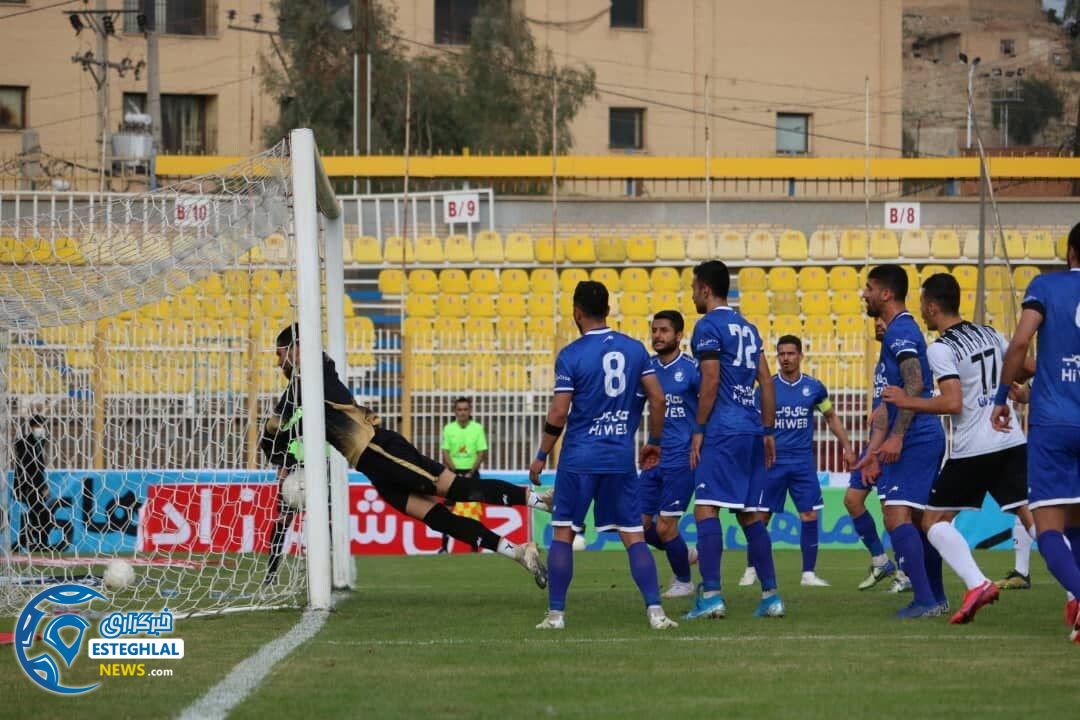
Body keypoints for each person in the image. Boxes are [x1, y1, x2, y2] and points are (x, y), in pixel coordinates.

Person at [261, 323, 552, 587]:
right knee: (440, 520)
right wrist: (282, 455)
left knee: (460, 490)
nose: (278, 362)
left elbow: (271, 431)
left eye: (281, 353)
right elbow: (277, 436)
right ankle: (519, 552)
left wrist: (276, 448)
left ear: (298, 348)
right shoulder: (307, 394)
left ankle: (541, 500)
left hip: (383, 451)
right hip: (374, 468)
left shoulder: (313, 377)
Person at [883, 273, 1036, 624]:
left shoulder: (940, 348)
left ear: (933, 306)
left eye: (923, 303)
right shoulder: (989, 332)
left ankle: (977, 583)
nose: (921, 309)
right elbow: (1026, 366)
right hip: (1011, 438)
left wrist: (908, 399)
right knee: (1035, 519)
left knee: (934, 521)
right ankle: (1075, 590)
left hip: (974, 447)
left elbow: (953, 402)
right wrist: (1016, 389)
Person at [529, 281, 678, 630]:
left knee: (563, 532)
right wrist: (654, 440)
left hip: (579, 459)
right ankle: (656, 612)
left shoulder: (571, 354)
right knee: (633, 536)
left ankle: (556, 615)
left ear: (576, 312)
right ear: (608, 310)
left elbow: (558, 413)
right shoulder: (635, 350)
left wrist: (541, 454)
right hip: (618, 459)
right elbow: (658, 399)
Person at [992, 221, 1080, 643]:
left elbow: (1020, 344)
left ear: (1070, 254)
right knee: (1077, 522)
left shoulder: (1046, 287)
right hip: (1060, 409)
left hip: (1055, 424)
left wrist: (999, 399)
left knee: (1048, 529)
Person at [684, 260, 783, 620]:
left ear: (706, 290)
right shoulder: (748, 328)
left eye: (694, 288)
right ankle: (771, 595)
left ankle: (711, 595)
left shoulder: (707, 326)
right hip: (752, 428)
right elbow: (767, 382)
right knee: (750, 515)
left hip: (722, 430)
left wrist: (698, 428)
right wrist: (769, 430)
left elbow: (710, 381)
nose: (693, 294)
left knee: (706, 507)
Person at [855, 264, 948, 618]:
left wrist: (896, 438)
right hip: (912, 436)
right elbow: (886, 402)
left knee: (896, 517)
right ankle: (935, 599)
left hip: (916, 437)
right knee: (921, 523)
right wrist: (874, 450)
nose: (865, 294)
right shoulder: (895, 332)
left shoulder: (901, 331)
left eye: (869, 288)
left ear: (886, 293)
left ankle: (925, 600)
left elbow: (915, 384)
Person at [738, 335, 857, 589]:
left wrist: (847, 446)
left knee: (809, 514)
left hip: (802, 462)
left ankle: (808, 573)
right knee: (760, 516)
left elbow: (831, 416)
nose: (786, 359)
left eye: (791, 354)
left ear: (801, 356)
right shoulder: (767, 388)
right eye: (781, 354)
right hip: (772, 462)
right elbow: (755, 426)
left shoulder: (814, 387)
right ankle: (751, 569)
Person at [842, 318, 910, 593]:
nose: (880, 324)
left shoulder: (903, 356)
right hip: (875, 443)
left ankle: (906, 572)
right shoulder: (882, 362)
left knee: (891, 512)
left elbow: (911, 394)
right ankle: (881, 560)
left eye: (884, 320)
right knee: (852, 499)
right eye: (877, 321)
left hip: (894, 444)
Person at [637, 310, 700, 599]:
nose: (657, 336)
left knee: (664, 527)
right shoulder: (647, 368)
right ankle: (682, 552)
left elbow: (709, 406)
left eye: (664, 331)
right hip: (653, 457)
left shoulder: (692, 369)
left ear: (679, 336)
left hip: (681, 457)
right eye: (654, 330)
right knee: (636, 524)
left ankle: (684, 581)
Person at [438, 397, 489, 554]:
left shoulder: (477, 428)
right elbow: (445, 452)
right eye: (459, 409)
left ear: (470, 411)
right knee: (447, 511)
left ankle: (474, 547)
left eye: (465, 409)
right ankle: (444, 547)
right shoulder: (448, 429)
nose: (462, 412)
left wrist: (471, 472)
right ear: (455, 411)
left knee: (473, 512)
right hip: (452, 474)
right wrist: (454, 471)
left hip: (472, 474)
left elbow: (481, 452)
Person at [13, 414, 51, 552]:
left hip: (36, 485)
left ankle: (26, 541)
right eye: (39, 426)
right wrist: (42, 486)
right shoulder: (23, 442)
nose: (41, 429)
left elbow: (39, 467)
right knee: (41, 513)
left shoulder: (41, 441)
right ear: (33, 427)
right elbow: (30, 466)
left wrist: (43, 485)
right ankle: (39, 542)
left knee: (36, 513)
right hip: (27, 485)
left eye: (42, 426)